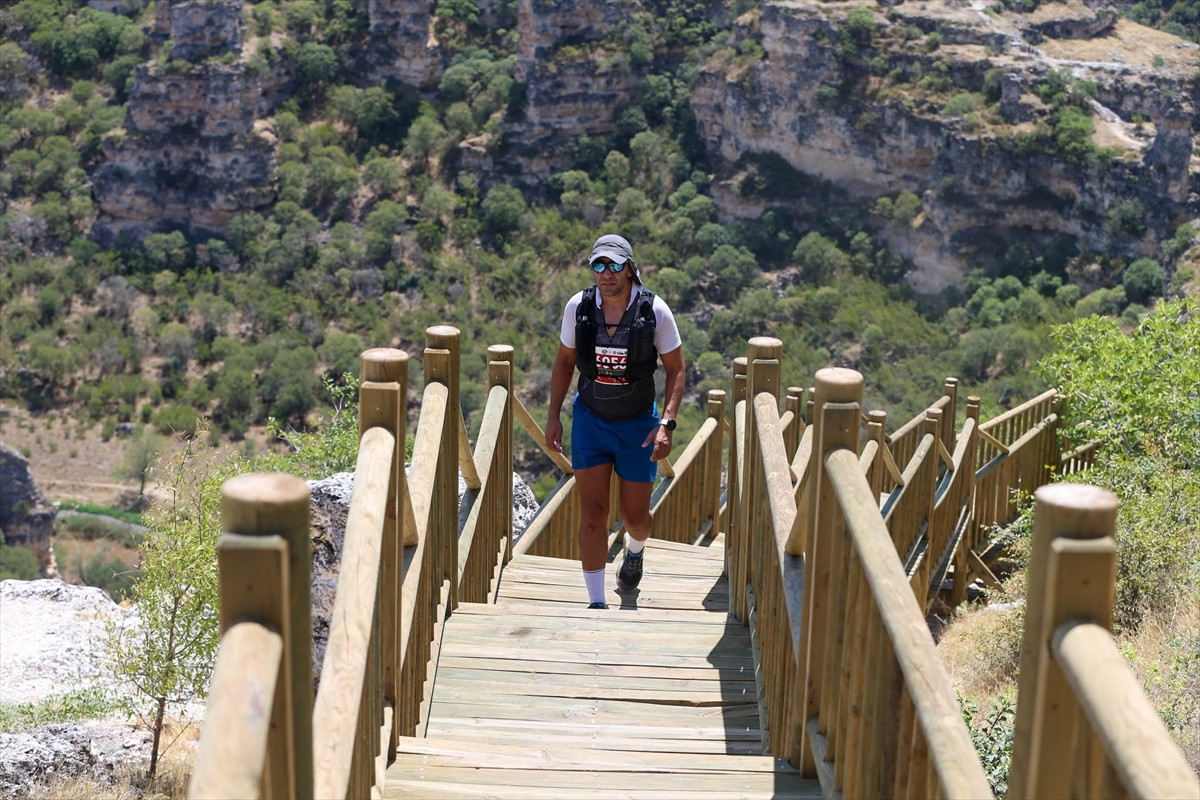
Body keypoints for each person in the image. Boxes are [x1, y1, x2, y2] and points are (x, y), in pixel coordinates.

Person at [545, 233, 686, 609]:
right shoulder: (579, 307)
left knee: (635, 517)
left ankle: (635, 551)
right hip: (591, 420)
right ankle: (595, 604)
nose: (607, 274)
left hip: (638, 423)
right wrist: (554, 415)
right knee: (592, 513)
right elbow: (564, 362)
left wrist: (666, 424)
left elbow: (676, 370)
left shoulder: (654, 311)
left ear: (629, 267)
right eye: (599, 265)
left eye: (614, 265)